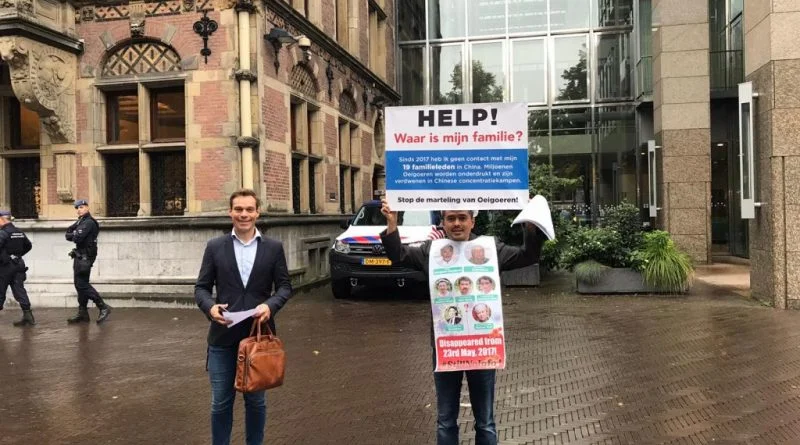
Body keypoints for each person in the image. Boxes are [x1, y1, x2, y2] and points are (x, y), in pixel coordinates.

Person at [380, 200, 546, 445]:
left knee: (485, 422)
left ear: (472, 221)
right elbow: (399, 255)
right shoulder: (431, 251)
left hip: (482, 347)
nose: (456, 223)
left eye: (462, 218)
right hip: (447, 348)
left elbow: (528, 255)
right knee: (446, 420)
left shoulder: (490, 249)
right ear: (443, 222)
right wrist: (392, 223)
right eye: (451, 218)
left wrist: (531, 224)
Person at [195, 189, 292, 445]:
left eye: (249, 209)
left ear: (258, 212)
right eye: (238, 209)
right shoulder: (215, 247)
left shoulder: (273, 248)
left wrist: (270, 306)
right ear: (230, 212)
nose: (244, 214)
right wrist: (210, 308)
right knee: (220, 403)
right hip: (222, 338)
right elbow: (201, 288)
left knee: (256, 402)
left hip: (258, 340)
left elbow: (284, 287)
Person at [65, 199, 112, 324]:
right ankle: (83, 313)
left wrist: (74, 234)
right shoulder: (81, 221)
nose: (78, 210)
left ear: (87, 207)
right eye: (77, 208)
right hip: (80, 256)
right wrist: (74, 233)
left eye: (81, 207)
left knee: (82, 284)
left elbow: (77, 238)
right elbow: (68, 233)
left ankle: (103, 307)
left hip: (85, 257)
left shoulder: (89, 222)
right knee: (79, 284)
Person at [0, 210, 35, 326]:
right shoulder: (19, 231)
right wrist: (17, 255)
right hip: (19, 265)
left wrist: (6, 257)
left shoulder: (3, 233)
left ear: (2, 219)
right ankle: (28, 317)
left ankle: (27, 318)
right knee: (19, 290)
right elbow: (28, 245)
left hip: (5, 267)